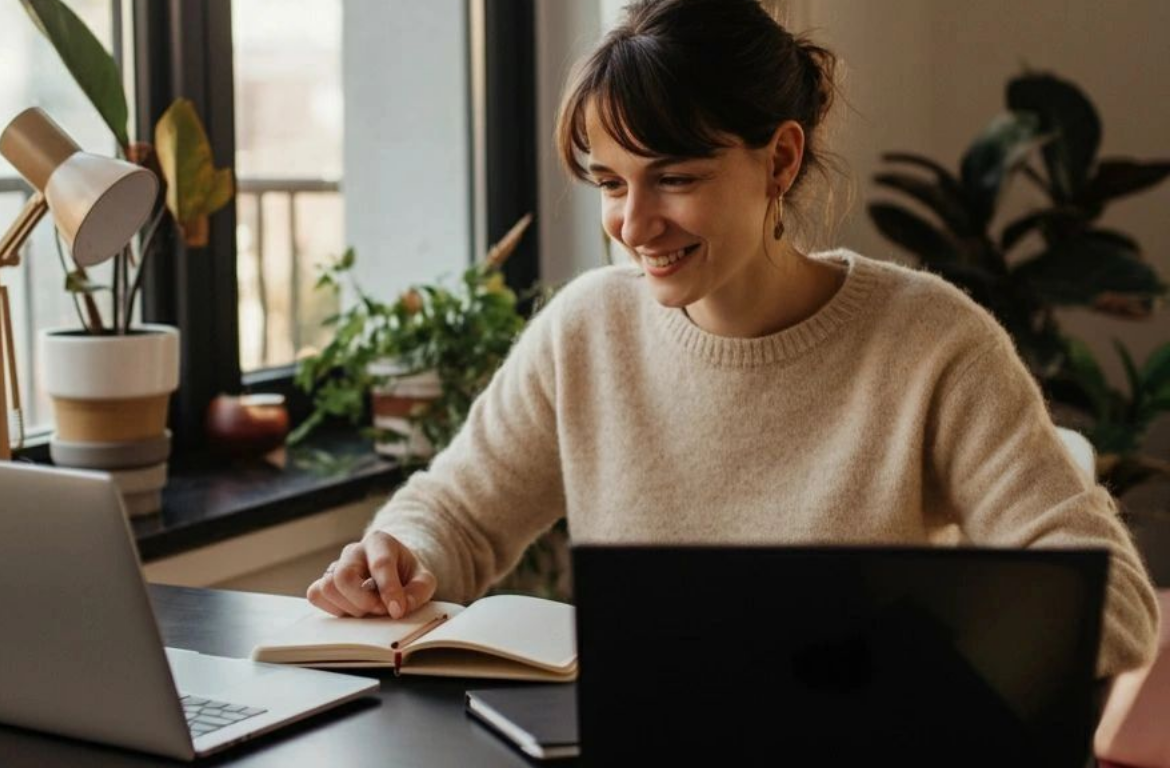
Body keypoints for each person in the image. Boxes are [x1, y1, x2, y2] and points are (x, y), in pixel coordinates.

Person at [307, 0, 1159, 678]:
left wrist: (897, 640)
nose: (633, 225)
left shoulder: (930, 343)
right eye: (611, 183)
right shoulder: (586, 329)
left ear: (780, 161)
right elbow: (454, 514)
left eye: (674, 178)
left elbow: (1118, 608)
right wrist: (397, 557)